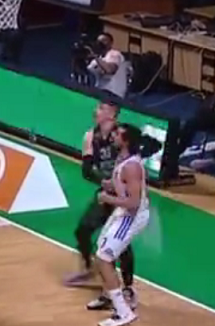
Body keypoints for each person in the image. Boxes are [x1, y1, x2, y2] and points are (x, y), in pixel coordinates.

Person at [63, 101, 137, 311]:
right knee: (83, 230)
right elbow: (86, 171)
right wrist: (103, 182)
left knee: (122, 245)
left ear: (113, 114)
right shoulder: (90, 136)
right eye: (97, 107)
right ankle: (89, 269)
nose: (96, 110)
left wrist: (120, 183)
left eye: (102, 108)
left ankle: (128, 288)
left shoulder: (122, 135)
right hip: (106, 192)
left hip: (124, 195)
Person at [91, 124, 150, 326]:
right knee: (101, 252)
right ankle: (113, 296)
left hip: (131, 216)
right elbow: (121, 183)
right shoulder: (122, 159)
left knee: (104, 257)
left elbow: (133, 202)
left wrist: (107, 198)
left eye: (117, 134)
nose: (113, 136)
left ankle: (124, 312)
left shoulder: (132, 167)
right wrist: (110, 185)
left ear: (125, 141)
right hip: (124, 213)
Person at [87, 33, 129, 98]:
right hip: (100, 91)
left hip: (113, 93)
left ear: (110, 43)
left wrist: (95, 57)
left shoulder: (115, 54)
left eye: (104, 40)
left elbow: (110, 70)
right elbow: (88, 72)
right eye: (98, 41)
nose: (100, 43)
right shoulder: (96, 60)